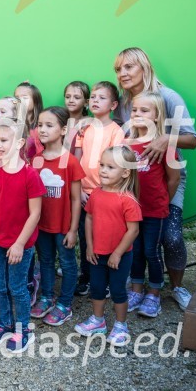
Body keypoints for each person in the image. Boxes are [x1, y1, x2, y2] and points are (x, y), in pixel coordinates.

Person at [114, 47, 196, 311]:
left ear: (144, 67)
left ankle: (176, 287)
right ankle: (138, 284)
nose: (122, 73)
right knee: (135, 239)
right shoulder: (125, 102)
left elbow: (192, 139)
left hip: (167, 179)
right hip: (136, 183)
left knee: (170, 237)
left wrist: (165, 138)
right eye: (118, 69)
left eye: (128, 67)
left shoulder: (168, 97)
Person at [0, 120, 43, 353]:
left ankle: (22, 328)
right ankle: (5, 323)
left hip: (20, 244)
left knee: (17, 287)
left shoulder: (29, 175)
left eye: (3, 140)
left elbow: (35, 213)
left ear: (19, 143)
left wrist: (19, 244)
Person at [74, 146, 141, 347]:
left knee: (119, 290)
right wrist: (89, 246)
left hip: (119, 256)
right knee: (96, 287)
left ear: (125, 172)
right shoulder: (96, 193)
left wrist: (118, 253)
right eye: (102, 165)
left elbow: (133, 231)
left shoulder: (128, 200)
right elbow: (89, 219)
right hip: (97, 253)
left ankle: (121, 325)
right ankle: (98, 320)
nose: (103, 170)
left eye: (110, 167)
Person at [125, 91, 180, 318]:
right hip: (132, 210)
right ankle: (137, 290)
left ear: (157, 116)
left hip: (155, 210)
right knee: (135, 250)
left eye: (144, 110)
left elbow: (173, 178)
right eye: (135, 110)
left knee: (151, 251)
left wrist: (163, 202)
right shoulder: (127, 143)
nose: (138, 114)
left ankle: (154, 293)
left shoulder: (164, 146)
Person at [30, 107, 85, 326]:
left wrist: (73, 230)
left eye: (49, 125)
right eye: (40, 125)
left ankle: (64, 304)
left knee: (68, 263)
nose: (42, 129)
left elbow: (75, 199)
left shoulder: (70, 161)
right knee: (45, 261)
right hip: (41, 224)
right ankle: (46, 297)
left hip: (63, 226)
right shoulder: (36, 160)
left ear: (63, 130)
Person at [73, 81, 125, 297]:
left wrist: (99, 193)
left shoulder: (116, 131)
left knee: (105, 237)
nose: (95, 100)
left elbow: (116, 164)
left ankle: (106, 279)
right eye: (93, 97)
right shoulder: (83, 128)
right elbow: (76, 161)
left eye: (101, 97)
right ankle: (87, 277)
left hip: (103, 194)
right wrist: (79, 190)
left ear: (113, 105)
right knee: (85, 238)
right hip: (83, 193)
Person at [14, 81, 44, 160]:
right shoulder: (13, 124)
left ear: (35, 101)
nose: (20, 101)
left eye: (25, 98)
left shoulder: (41, 126)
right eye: (17, 98)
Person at [63, 80, 90, 150]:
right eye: (67, 97)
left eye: (77, 97)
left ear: (86, 103)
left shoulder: (88, 122)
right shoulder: (59, 120)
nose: (71, 100)